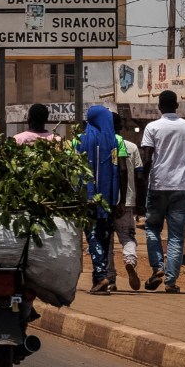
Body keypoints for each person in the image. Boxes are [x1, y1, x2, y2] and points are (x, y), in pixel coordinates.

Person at [139, 89, 185, 293]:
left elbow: (147, 159)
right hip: (181, 187)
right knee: (176, 236)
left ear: (159, 106)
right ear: (177, 106)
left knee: (152, 228)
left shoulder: (152, 127)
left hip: (157, 186)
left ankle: (158, 268)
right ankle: (171, 282)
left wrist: (144, 183)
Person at [77, 105, 121, 292]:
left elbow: (78, 170)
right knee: (104, 236)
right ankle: (99, 280)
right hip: (108, 198)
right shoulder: (113, 140)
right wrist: (116, 199)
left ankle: (101, 277)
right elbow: (116, 170)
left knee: (92, 236)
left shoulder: (82, 139)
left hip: (88, 196)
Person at [109, 112, 144, 289]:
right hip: (127, 201)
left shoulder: (100, 144)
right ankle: (129, 260)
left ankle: (110, 279)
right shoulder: (131, 147)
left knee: (106, 242)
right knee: (127, 237)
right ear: (120, 127)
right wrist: (140, 202)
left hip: (105, 202)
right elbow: (139, 175)